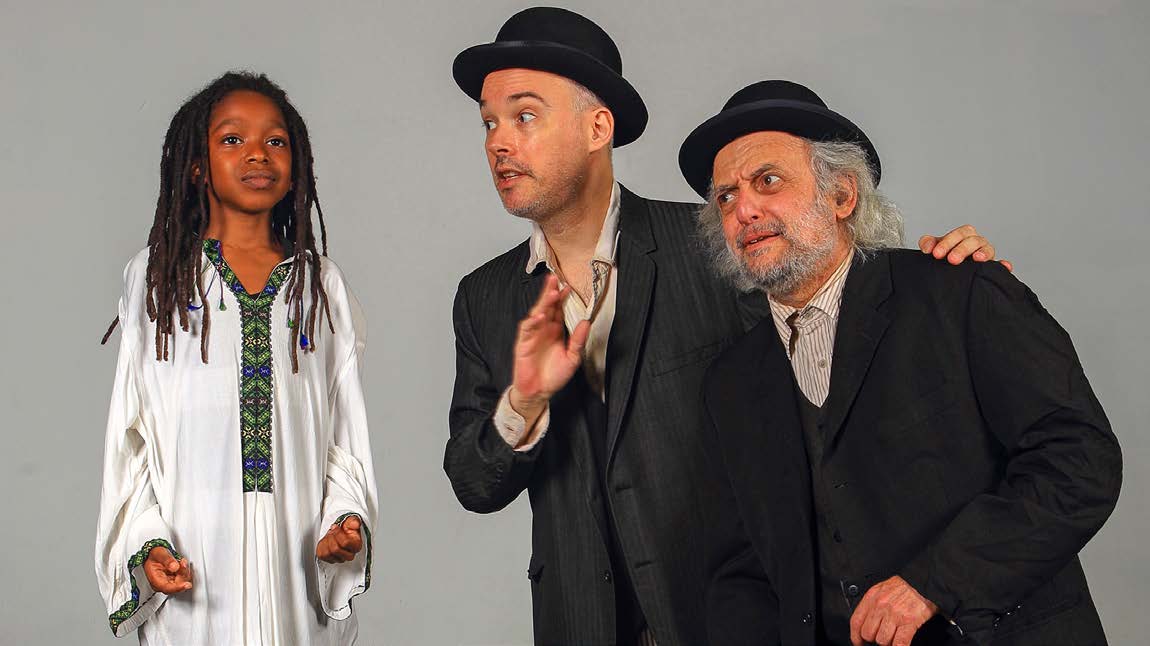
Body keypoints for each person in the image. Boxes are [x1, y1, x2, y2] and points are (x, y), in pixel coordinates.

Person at [444, 8, 1001, 645]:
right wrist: (524, 403)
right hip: (579, 623)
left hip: (728, 617)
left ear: (598, 126)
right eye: (488, 122)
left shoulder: (718, 244)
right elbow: (473, 483)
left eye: (524, 115)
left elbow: (836, 342)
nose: (497, 141)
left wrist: (950, 276)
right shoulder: (482, 297)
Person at [681, 79, 1121, 646]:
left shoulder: (958, 291)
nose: (744, 209)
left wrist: (933, 582)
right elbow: (740, 567)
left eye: (768, 180)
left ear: (842, 196)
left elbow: (1080, 460)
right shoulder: (732, 382)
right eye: (726, 197)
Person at [95, 72, 377, 645]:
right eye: (231, 139)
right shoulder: (159, 280)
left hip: (296, 579)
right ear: (196, 166)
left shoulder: (320, 286)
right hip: (193, 577)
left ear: (296, 164)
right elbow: (133, 442)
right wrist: (146, 545)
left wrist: (343, 522)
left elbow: (343, 438)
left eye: (276, 141)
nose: (257, 153)